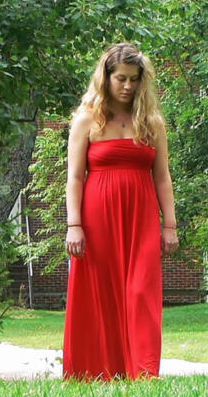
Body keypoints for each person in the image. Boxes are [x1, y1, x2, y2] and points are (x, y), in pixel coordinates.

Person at [62, 43, 178, 380]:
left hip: (141, 216)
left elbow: (162, 176)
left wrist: (169, 224)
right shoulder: (87, 119)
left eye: (134, 80)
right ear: (106, 77)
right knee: (100, 291)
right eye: (121, 79)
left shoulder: (151, 121)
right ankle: (98, 370)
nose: (128, 86)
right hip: (97, 217)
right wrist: (74, 224)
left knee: (141, 290)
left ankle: (142, 372)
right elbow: (74, 176)